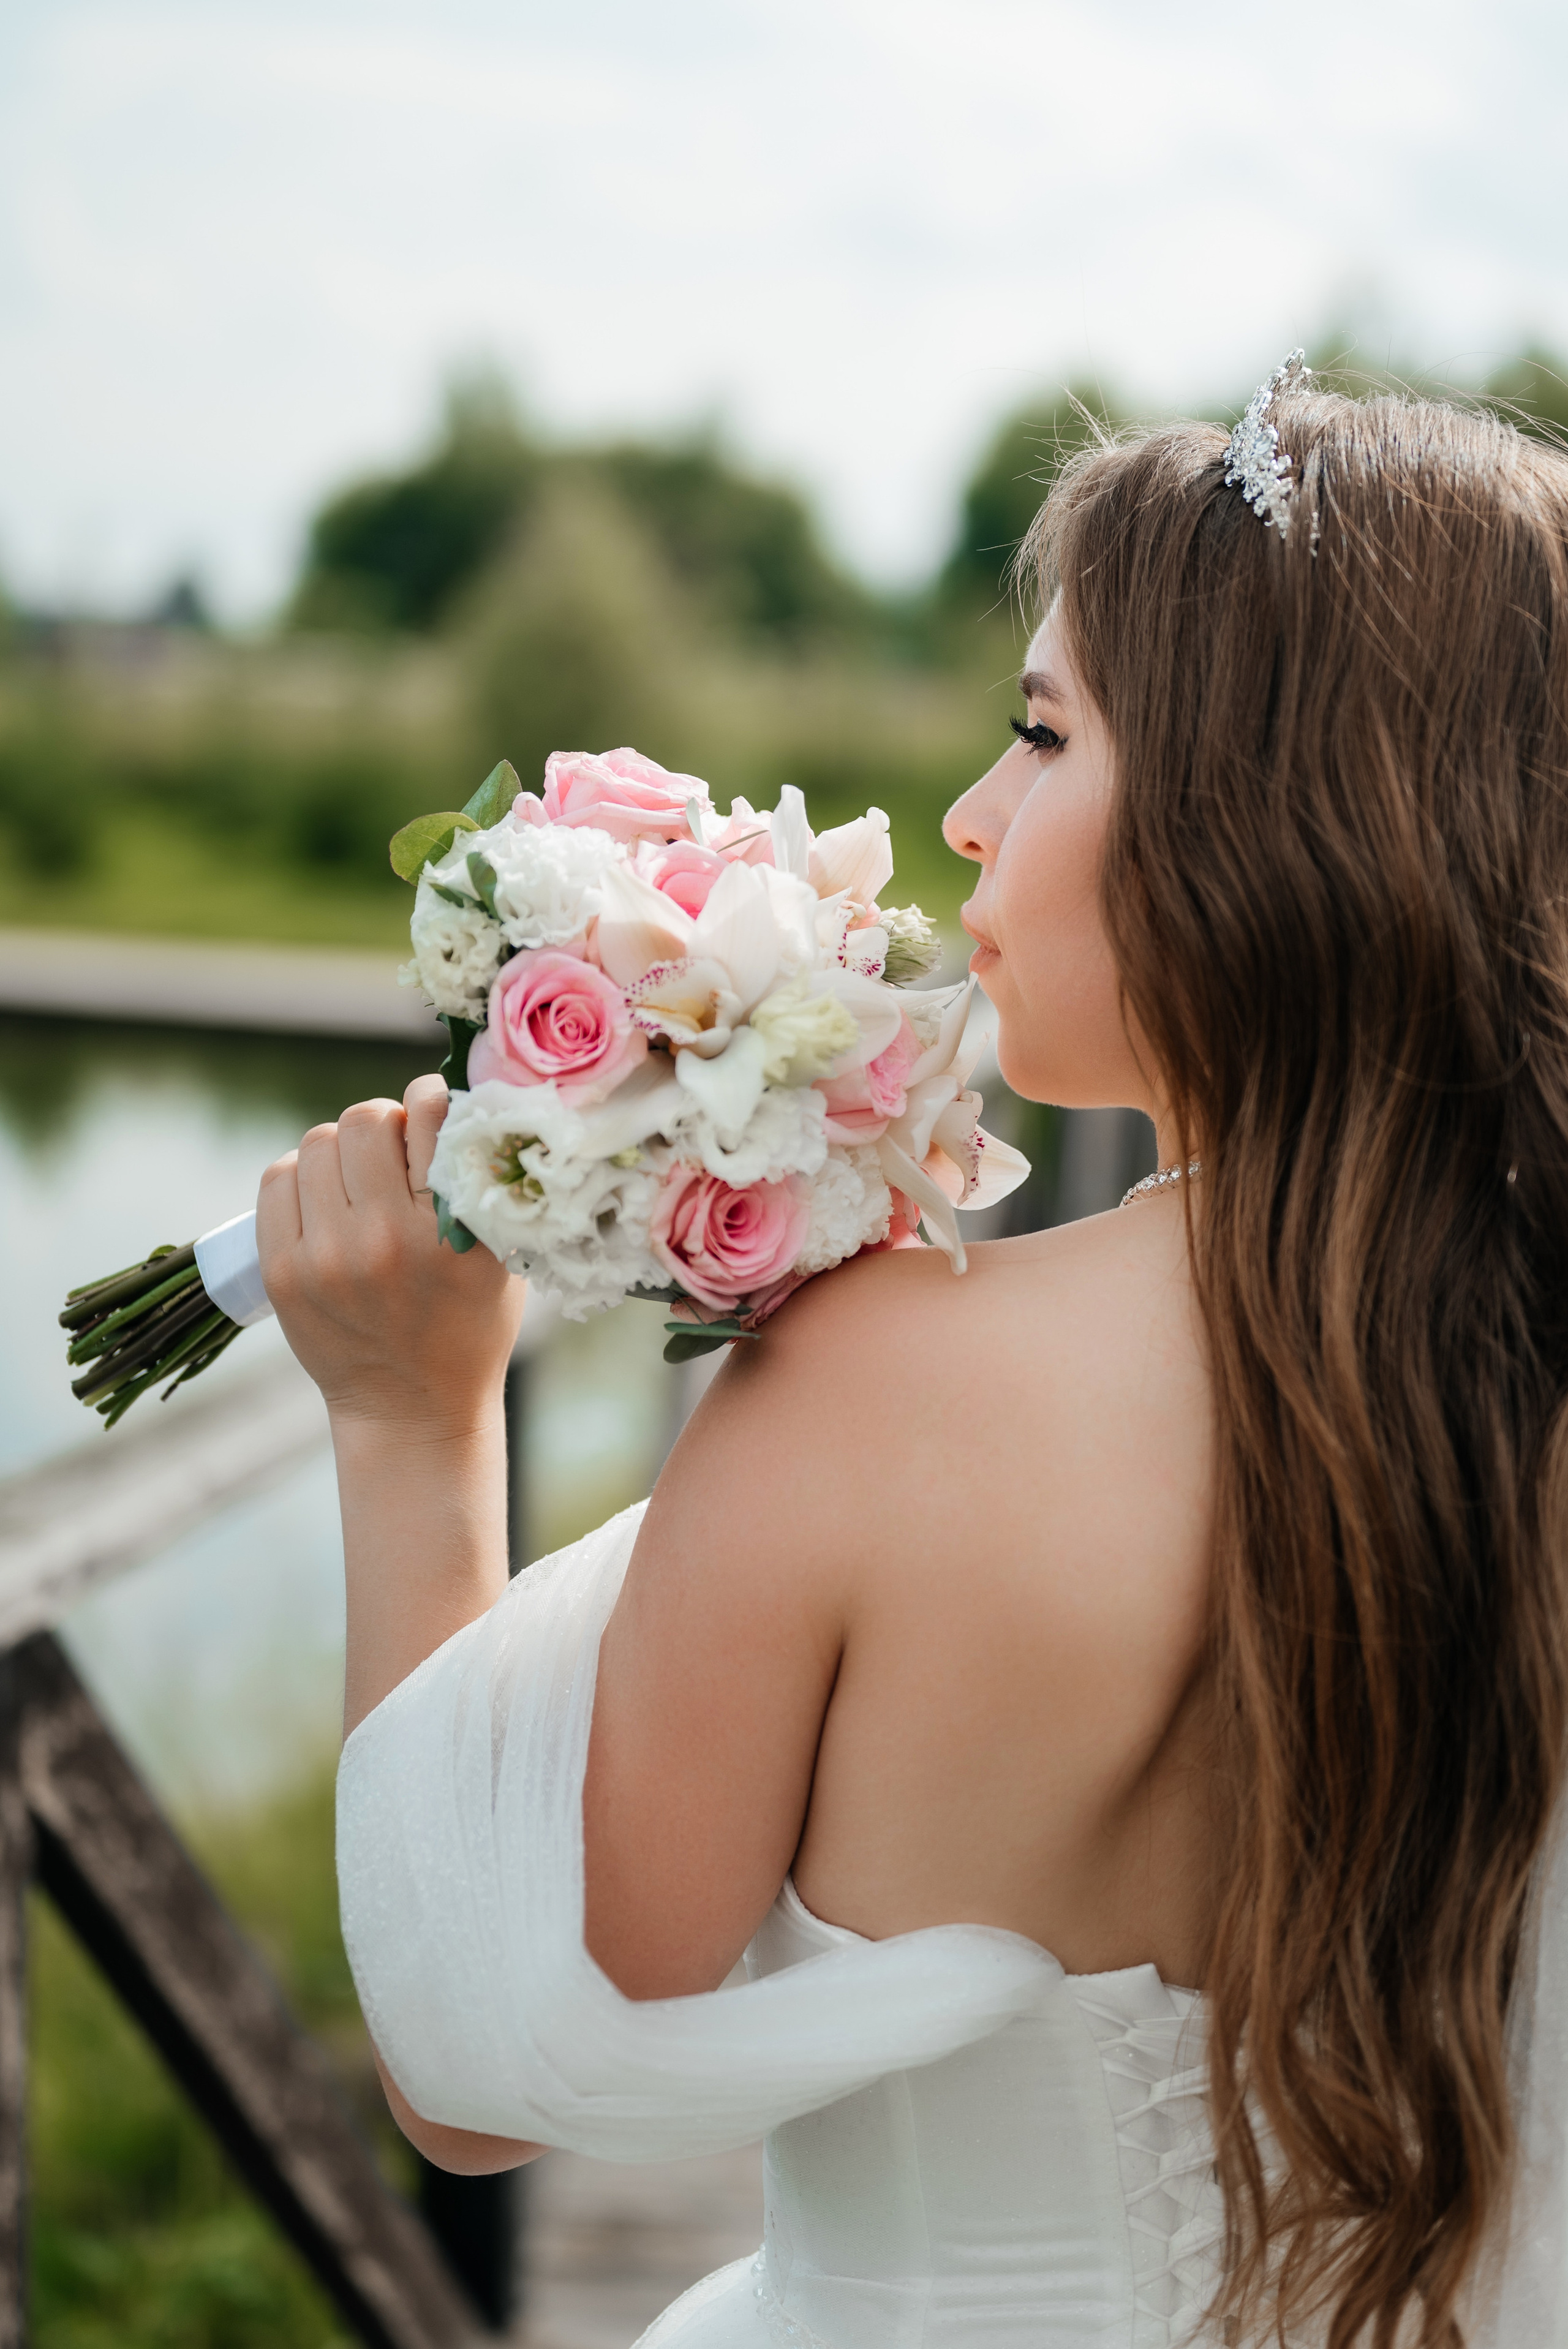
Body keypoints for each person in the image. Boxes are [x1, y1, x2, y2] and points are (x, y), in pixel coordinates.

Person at [256, 360, 1568, 2347]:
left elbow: (485, 2054)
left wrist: (408, 1413)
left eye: (1045, 734)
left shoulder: (893, 1387)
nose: (967, 814)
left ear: (1265, 816)